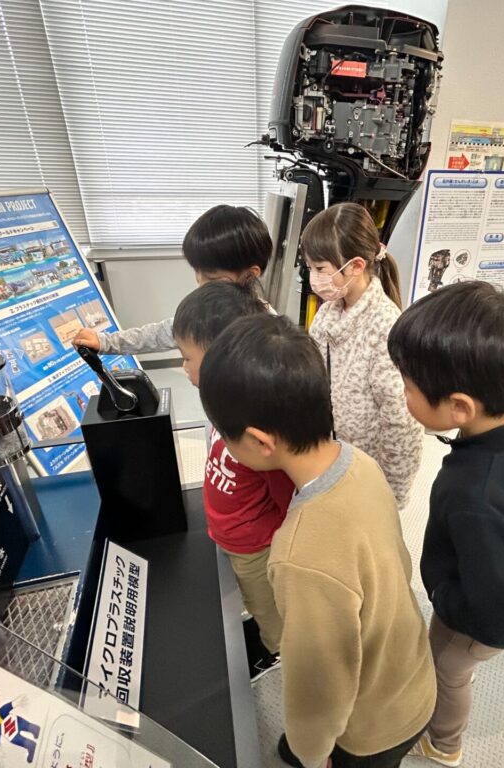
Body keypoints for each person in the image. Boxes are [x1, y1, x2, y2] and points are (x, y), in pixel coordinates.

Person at [199, 314, 435, 768]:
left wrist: (312, 754)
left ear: (260, 442)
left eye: (225, 435)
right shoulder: (360, 462)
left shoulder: (298, 555)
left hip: (372, 727)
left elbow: (320, 686)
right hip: (412, 675)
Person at [387, 282, 504, 767]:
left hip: (481, 616)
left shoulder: (474, 494)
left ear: (460, 408)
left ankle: (443, 743)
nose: (403, 394)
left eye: (408, 387)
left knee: (448, 670)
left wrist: (443, 596)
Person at [171, 280, 293, 681]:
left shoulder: (259, 431)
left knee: (266, 605)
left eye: (188, 358)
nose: (183, 368)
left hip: (255, 546)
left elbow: (289, 501)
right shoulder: (221, 405)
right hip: (231, 532)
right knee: (252, 597)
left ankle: (278, 650)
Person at [302, 202, 423, 508]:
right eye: (309, 267)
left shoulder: (385, 327)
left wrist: (393, 493)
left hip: (367, 470)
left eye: (320, 269)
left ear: (355, 266)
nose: (313, 277)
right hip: (332, 454)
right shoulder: (328, 313)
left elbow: (402, 422)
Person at [73, 205, 272, 354]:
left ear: (251, 274)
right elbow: (157, 334)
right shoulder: (201, 313)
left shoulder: (268, 328)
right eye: (197, 272)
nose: (200, 282)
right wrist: (106, 342)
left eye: (211, 277)